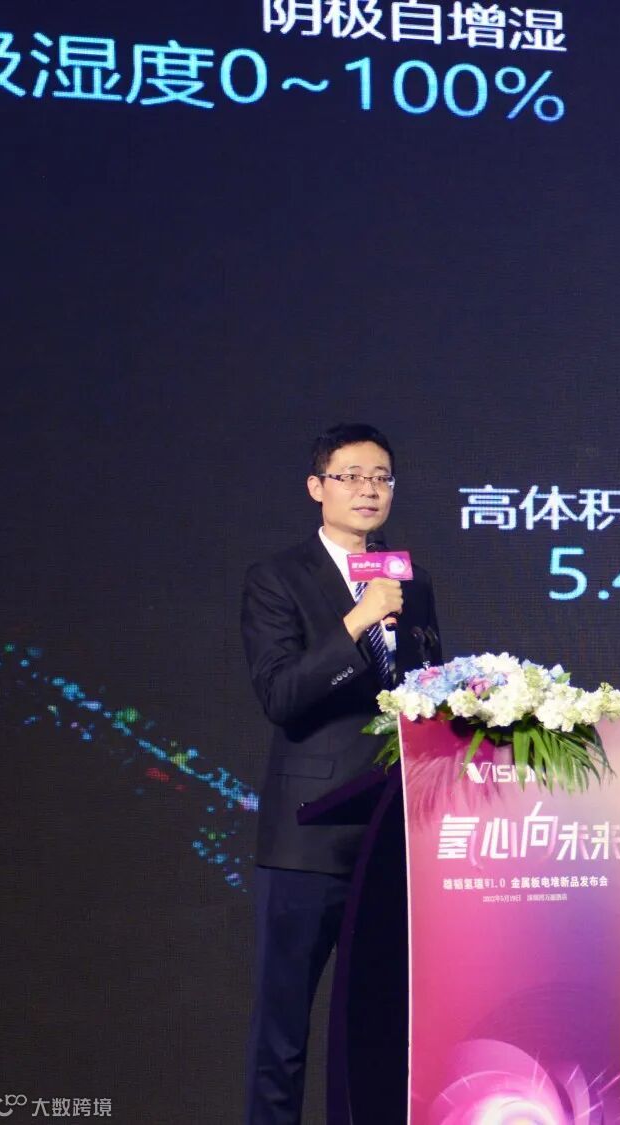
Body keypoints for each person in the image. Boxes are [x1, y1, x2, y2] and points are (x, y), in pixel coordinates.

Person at [241, 422, 442, 1125]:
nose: (368, 489)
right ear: (316, 487)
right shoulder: (278, 578)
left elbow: (424, 690)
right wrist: (356, 623)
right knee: (283, 1029)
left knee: (382, 1027)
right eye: (351, 476)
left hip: (392, 836)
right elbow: (281, 695)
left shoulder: (411, 581)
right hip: (310, 837)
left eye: (381, 477)